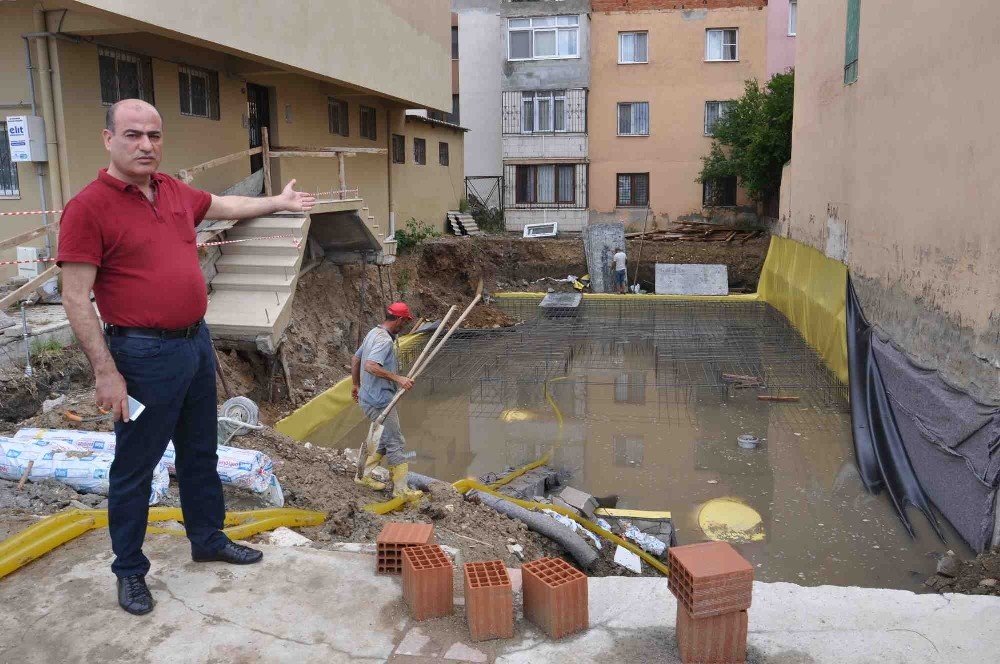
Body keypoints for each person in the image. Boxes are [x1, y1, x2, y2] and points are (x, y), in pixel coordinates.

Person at [58, 99, 316, 616]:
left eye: (154, 135)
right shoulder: (89, 207)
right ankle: (129, 571)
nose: (146, 145)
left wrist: (277, 202)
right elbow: (73, 295)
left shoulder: (173, 191)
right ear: (108, 139)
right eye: (133, 135)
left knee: (201, 452)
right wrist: (105, 372)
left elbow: (223, 205)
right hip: (141, 355)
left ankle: (207, 538)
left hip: (196, 345)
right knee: (136, 465)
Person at [351, 302, 420, 499]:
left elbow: (356, 359)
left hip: (368, 396)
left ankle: (363, 475)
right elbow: (371, 366)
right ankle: (401, 490)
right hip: (379, 401)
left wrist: (355, 385)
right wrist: (399, 379)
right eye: (405, 323)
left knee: (382, 437)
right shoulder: (384, 341)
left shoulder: (374, 332)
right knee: (396, 441)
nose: (404, 327)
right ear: (399, 320)